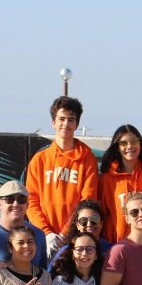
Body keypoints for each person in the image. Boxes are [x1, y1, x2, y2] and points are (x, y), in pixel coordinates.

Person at [25, 96, 99, 258]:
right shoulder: (40, 160)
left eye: (71, 119)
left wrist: (66, 233)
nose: (66, 124)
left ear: (77, 124)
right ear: (53, 122)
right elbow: (31, 201)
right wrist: (46, 233)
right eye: (61, 119)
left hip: (75, 240)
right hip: (44, 240)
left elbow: (87, 201)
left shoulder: (87, 159)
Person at [98, 124, 142, 243]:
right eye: (124, 143)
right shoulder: (106, 179)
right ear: (117, 147)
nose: (130, 146)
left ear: (140, 144)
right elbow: (102, 214)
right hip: (116, 245)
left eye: (134, 141)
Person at [47, 199, 113, 270]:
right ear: (77, 225)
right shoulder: (66, 252)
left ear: (101, 224)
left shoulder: (112, 251)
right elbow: (50, 277)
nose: (89, 224)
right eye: (83, 221)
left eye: (94, 220)